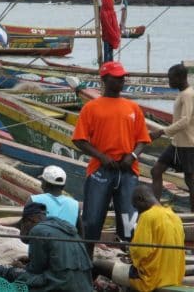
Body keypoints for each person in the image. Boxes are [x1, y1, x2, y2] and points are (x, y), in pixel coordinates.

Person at [72, 61, 151, 258]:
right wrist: (102, 157)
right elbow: (79, 140)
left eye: (123, 77)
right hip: (100, 170)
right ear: (105, 79)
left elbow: (143, 140)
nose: (121, 80)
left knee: (129, 219)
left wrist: (131, 156)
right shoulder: (91, 108)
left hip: (127, 171)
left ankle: (130, 261)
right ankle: (86, 264)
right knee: (92, 220)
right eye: (117, 77)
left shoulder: (133, 108)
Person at [94, 185, 185, 291]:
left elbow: (140, 252)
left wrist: (129, 249)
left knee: (97, 265)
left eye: (136, 207)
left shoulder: (147, 216)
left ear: (140, 199)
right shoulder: (175, 217)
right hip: (174, 278)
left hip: (150, 280)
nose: (137, 211)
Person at [0, 202, 93, 291]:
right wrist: (30, 260)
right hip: (84, 286)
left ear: (30, 220)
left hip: (59, 284)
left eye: (22, 224)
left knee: (4, 271)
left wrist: (21, 267)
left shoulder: (38, 230)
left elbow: (35, 270)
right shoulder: (65, 228)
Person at [150, 64, 194, 211]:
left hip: (188, 144)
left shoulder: (188, 94)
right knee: (156, 170)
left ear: (180, 78)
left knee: (190, 180)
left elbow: (185, 120)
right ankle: (155, 208)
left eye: (171, 79)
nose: (169, 82)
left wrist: (162, 131)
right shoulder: (182, 94)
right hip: (176, 143)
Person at [27, 165, 82, 234]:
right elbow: (80, 236)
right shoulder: (75, 205)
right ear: (63, 186)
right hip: (65, 244)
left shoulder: (33, 200)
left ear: (44, 184)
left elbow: (25, 237)